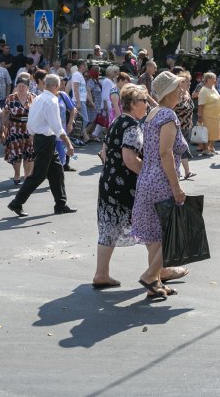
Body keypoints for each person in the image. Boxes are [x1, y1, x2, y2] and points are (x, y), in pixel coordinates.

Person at [131, 71, 189, 299]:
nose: (182, 90)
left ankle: (155, 284)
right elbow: (165, 153)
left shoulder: (153, 113)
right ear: (169, 92)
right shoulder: (168, 116)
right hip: (161, 180)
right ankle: (150, 275)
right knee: (171, 233)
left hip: (147, 177)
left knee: (156, 236)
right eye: (178, 88)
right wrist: (176, 187)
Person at [93, 84, 148, 288]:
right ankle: (158, 271)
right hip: (125, 184)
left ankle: (101, 273)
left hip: (108, 180)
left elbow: (104, 152)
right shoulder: (133, 126)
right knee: (152, 224)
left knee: (109, 227)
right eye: (144, 101)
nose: (147, 104)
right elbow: (130, 159)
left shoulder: (117, 121)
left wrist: (111, 171)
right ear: (133, 104)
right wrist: (148, 173)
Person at [7, 74, 76, 217]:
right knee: (38, 175)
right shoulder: (51, 100)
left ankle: (60, 204)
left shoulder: (38, 98)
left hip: (42, 138)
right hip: (45, 140)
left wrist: (33, 135)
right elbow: (57, 126)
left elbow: (31, 122)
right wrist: (68, 144)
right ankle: (16, 203)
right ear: (57, 86)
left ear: (45, 84)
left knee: (57, 172)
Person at [2, 74, 36, 185]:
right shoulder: (11, 98)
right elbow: (5, 114)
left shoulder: (34, 97)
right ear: (16, 87)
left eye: (24, 86)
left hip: (30, 130)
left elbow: (38, 114)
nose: (21, 88)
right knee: (16, 154)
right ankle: (17, 174)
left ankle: (27, 176)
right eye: (19, 86)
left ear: (28, 87)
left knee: (29, 154)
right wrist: (3, 129)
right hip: (14, 129)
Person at [172, 69, 196, 178]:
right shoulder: (176, 92)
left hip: (187, 126)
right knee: (182, 149)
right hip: (178, 126)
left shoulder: (187, 93)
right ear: (181, 82)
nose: (189, 83)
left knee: (181, 149)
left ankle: (180, 171)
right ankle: (185, 171)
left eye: (189, 81)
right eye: (187, 81)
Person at [197, 72, 220, 156]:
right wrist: (200, 117)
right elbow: (201, 105)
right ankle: (205, 149)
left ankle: (211, 148)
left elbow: (217, 99)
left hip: (215, 115)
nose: (215, 80)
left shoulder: (213, 88)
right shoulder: (204, 90)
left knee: (215, 132)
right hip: (207, 115)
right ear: (208, 79)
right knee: (206, 133)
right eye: (214, 78)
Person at [70, 59, 89, 131]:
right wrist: (78, 102)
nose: (87, 66)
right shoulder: (76, 74)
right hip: (78, 100)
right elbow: (75, 89)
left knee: (79, 120)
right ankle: (74, 135)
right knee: (85, 120)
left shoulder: (80, 75)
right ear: (82, 66)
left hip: (81, 100)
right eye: (85, 65)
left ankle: (75, 135)